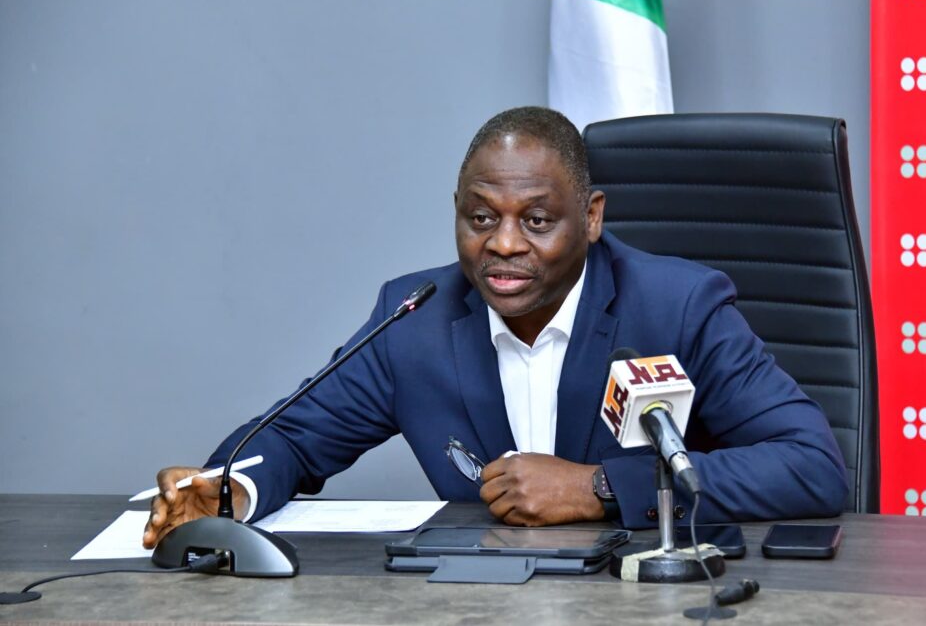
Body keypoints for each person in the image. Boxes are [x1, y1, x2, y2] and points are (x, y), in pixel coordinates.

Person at [143, 106, 847, 549]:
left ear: (591, 218)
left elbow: (811, 465)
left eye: (536, 220)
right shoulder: (414, 318)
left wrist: (599, 486)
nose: (503, 243)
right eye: (481, 217)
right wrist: (226, 488)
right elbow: (293, 436)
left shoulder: (677, 305)